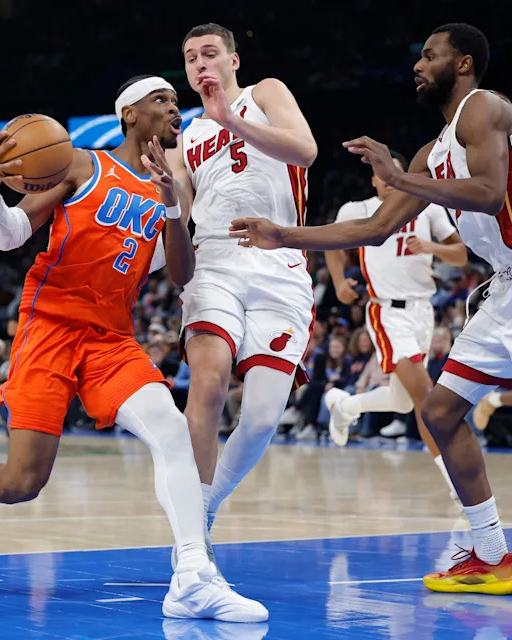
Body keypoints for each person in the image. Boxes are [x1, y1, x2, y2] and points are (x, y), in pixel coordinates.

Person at [230, 23, 512, 596]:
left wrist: (397, 177)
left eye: (429, 55)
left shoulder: (484, 107)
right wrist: (282, 233)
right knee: (440, 414)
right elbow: (373, 228)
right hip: (505, 287)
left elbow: (491, 192)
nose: (417, 64)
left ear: (463, 63)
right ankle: (491, 554)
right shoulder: (429, 152)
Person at [0, 76, 267, 622]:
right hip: (50, 327)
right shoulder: (81, 165)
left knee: (170, 430)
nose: (174, 109)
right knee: (22, 482)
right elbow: (9, 235)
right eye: (161, 101)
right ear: (129, 116)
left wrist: (170, 209)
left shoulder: (173, 186)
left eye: (175, 101)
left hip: (111, 337)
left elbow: (180, 272)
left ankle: (193, 576)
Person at [168, 22, 318, 572]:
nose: (200, 65)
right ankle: (190, 532)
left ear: (233, 61)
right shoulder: (184, 134)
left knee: (259, 417)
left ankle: (205, 506)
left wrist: (231, 120)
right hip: (215, 265)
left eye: (210, 54)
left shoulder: (266, 93)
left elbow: (305, 151)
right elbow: (179, 209)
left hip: (279, 264)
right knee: (206, 385)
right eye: (190, 58)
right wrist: (164, 188)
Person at [324, 151, 467, 502]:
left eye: (392, 172)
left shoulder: (427, 207)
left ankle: (345, 407)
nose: (385, 178)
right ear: (373, 179)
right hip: (387, 313)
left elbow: (461, 255)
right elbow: (332, 246)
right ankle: (456, 485)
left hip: (424, 313)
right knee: (426, 397)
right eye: (379, 173)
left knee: (403, 403)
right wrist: (340, 281)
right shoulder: (356, 211)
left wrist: (432, 245)